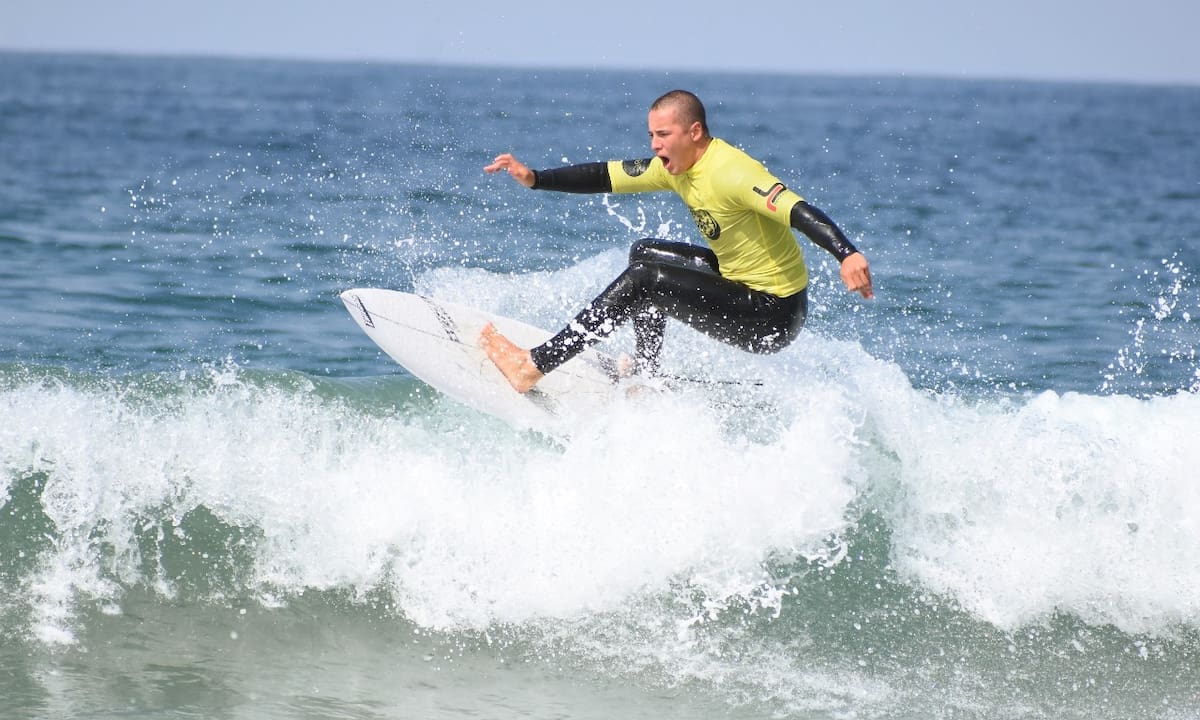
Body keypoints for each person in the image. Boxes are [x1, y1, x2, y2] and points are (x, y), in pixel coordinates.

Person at [480, 89, 873, 393]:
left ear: (694, 132)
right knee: (644, 254)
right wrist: (535, 178)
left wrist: (846, 253)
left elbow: (796, 209)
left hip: (771, 315)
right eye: (651, 135)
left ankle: (531, 366)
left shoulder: (732, 172)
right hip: (740, 282)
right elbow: (606, 175)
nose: (654, 145)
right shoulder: (677, 167)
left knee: (646, 279)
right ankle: (647, 377)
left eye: (663, 134)